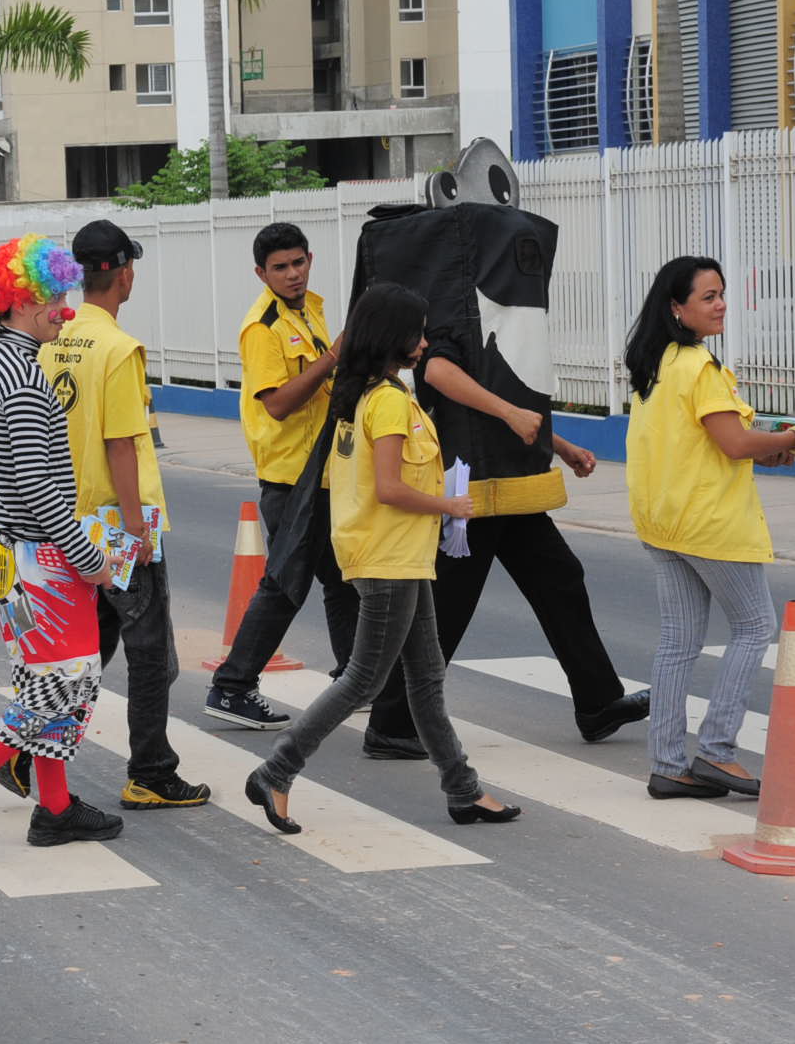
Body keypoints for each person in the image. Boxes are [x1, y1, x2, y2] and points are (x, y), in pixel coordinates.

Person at [354, 200, 649, 757]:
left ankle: (598, 699)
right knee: (447, 604)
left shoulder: (499, 313)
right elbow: (438, 371)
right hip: (472, 482)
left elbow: (518, 397)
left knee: (560, 578)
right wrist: (512, 417)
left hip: (508, 479)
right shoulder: (453, 305)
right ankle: (392, 722)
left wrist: (557, 445)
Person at [244, 284, 521, 835]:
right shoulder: (388, 400)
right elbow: (390, 488)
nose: (424, 341)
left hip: (398, 557)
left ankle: (463, 790)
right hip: (388, 557)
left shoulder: (368, 393)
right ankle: (277, 769)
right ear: (396, 337)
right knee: (365, 680)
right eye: (417, 331)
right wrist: (449, 505)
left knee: (426, 676)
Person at [0, 236, 122, 853]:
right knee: (66, 679)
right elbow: (40, 492)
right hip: (39, 557)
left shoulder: (5, 369)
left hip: (11, 554)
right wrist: (90, 563)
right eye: (54, 298)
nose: (64, 310)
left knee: (44, 678)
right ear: (22, 303)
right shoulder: (23, 380)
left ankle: (56, 808)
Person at [624, 256, 795, 800]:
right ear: (677, 308)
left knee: (677, 643)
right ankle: (717, 751)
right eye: (708, 297)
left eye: (721, 294)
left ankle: (668, 765)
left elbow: (722, 437)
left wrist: (780, 443)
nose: (720, 305)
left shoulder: (656, 363)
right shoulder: (699, 366)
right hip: (709, 522)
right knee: (754, 625)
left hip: (662, 521)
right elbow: (736, 443)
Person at [35, 219, 211, 811]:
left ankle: (22, 747)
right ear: (125, 274)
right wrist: (138, 528)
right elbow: (121, 443)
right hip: (116, 526)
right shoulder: (117, 348)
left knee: (91, 647)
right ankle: (151, 771)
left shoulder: (53, 335)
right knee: (150, 652)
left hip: (65, 520)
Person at [200, 221, 362, 732]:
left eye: (298, 263)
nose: (292, 274)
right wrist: (335, 355)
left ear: (309, 259)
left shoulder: (308, 308)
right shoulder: (263, 326)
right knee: (285, 586)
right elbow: (279, 404)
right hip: (293, 479)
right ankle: (232, 686)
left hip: (326, 471)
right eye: (280, 268)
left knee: (343, 579)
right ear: (260, 273)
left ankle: (354, 680)